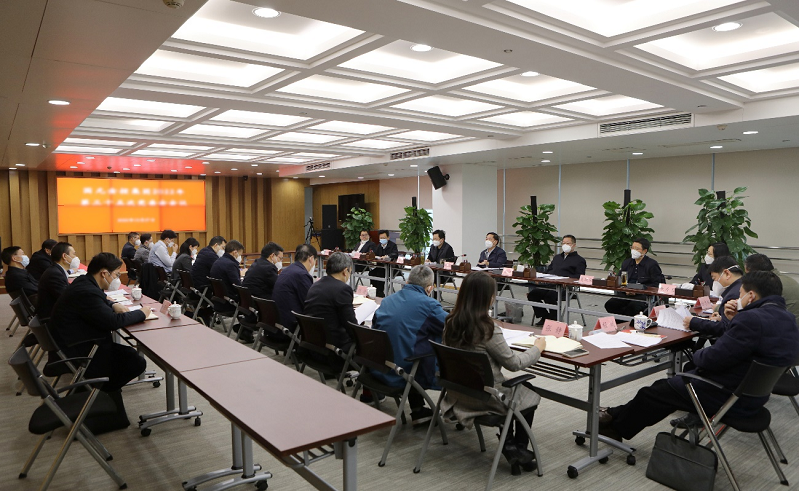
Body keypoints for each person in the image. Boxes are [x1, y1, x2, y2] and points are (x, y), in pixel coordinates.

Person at [599, 271, 799, 442]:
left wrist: (697, 353)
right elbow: (745, 346)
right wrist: (732, 322)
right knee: (663, 389)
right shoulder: (787, 319)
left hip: (727, 394)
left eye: (741, 294)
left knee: (654, 393)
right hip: (754, 395)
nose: (738, 298)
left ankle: (615, 428)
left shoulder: (751, 319)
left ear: (751, 296)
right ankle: (613, 414)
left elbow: (712, 359)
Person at [440, 271, 545, 475]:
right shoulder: (488, 329)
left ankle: (511, 446)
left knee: (518, 388)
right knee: (527, 390)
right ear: (487, 298)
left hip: (459, 393)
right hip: (486, 398)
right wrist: (537, 348)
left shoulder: (450, 321)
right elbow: (514, 364)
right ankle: (517, 447)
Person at [51, 253, 151, 430]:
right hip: (80, 350)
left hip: (75, 342)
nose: (117, 278)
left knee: (128, 355)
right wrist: (141, 313)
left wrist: (112, 304)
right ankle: (101, 393)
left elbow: (99, 300)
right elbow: (112, 322)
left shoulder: (84, 282)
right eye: (116, 274)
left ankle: (101, 392)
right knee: (134, 361)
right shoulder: (86, 291)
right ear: (104, 273)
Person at [371, 265, 448, 424]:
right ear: (430, 288)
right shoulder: (430, 305)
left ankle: (418, 408)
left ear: (407, 282)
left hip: (378, 368)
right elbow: (453, 327)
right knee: (436, 339)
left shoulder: (387, 300)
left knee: (411, 338)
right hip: (403, 372)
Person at [526, 235, 586, 326]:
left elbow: (580, 276)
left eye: (568, 243)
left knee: (549, 296)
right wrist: (540, 277)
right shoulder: (557, 257)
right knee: (532, 294)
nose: (565, 245)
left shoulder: (579, 260)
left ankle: (554, 319)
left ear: (574, 245)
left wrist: (567, 281)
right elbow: (549, 270)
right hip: (550, 284)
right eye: (563, 243)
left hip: (565, 287)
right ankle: (545, 316)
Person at [304, 251, 357, 351]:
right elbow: (351, 326)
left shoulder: (315, 285)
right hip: (334, 348)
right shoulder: (343, 289)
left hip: (313, 344)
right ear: (345, 271)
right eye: (350, 272)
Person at [604, 238, 665, 318]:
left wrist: (638, 291)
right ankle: (622, 322)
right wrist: (625, 289)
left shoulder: (652, 264)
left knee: (632, 307)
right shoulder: (627, 262)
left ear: (644, 251)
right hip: (626, 293)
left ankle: (627, 322)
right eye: (632, 248)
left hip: (643, 295)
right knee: (610, 305)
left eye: (637, 249)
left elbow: (656, 284)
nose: (633, 250)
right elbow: (620, 278)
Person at [682, 256, 743, 336]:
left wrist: (694, 322)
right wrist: (722, 318)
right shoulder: (743, 286)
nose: (715, 282)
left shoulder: (733, 294)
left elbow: (725, 328)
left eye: (714, 278)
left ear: (727, 274)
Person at [272, 244, 317, 338]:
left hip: (276, 325)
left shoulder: (287, 270)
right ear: (311, 259)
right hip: (291, 328)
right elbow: (310, 305)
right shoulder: (301, 275)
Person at [745, 253, 799, 325]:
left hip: (786, 326)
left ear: (754, 273)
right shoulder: (788, 279)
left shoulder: (769, 284)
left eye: (747, 274)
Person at [37, 242, 80, 321]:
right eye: (74, 254)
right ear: (64, 256)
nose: (76, 257)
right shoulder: (54, 274)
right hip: (53, 318)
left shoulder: (56, 270)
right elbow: (67, 299)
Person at [372, 230, 399, 298]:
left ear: (388, 238)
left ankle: (380, 292)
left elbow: (395, 254)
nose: (382, 239)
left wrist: (387, 256)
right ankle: (375, 290)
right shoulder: (379, 246)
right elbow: (375, 254)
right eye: (381, 238)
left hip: (391, 268)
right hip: (380, 266)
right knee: (372, 273)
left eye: (384, 238)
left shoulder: (393, 245)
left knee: (380, 274)